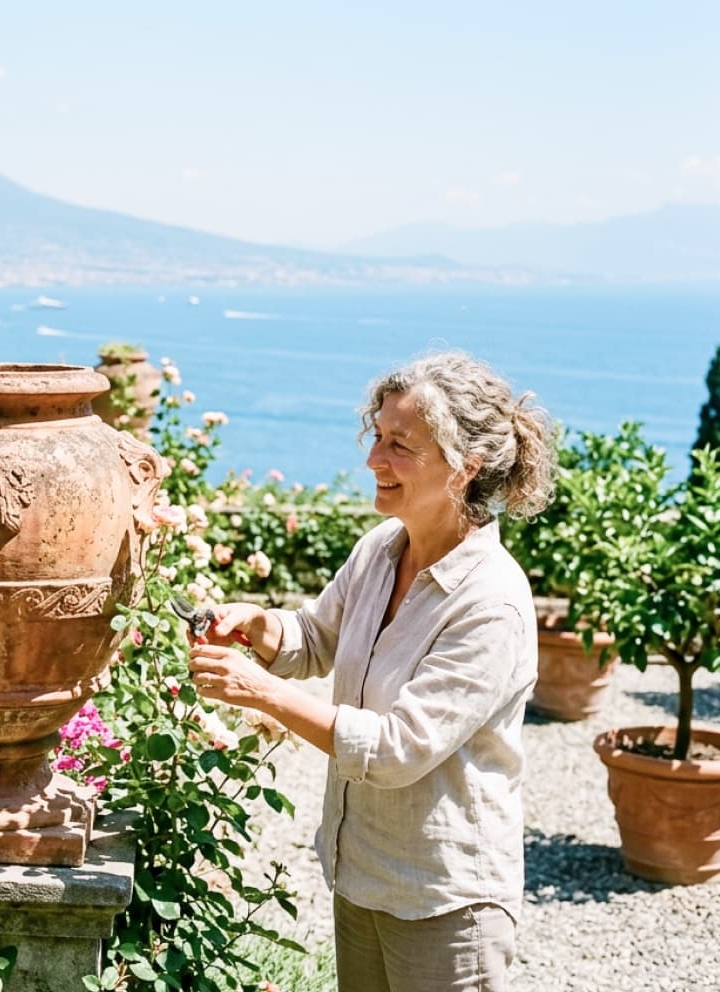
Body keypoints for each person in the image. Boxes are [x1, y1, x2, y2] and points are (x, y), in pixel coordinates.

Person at [188, 350, 557, 992]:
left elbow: (396, 750)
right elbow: (314, 638)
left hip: (444, 903)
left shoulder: (491, 602)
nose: (373, 460)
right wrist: (258, 624)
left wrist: (262, 692)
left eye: (399, 445)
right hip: (361, 877)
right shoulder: (380, 551)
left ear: (466, 465)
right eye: (377, 436)